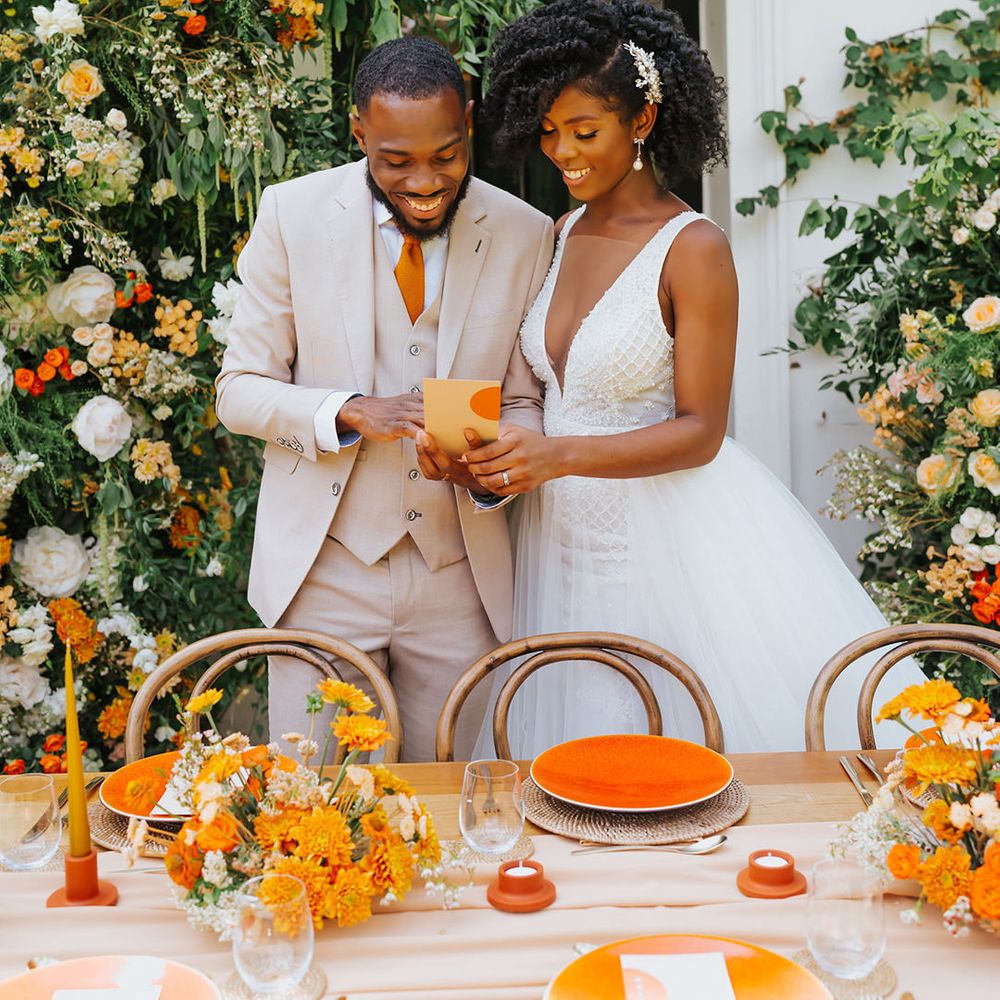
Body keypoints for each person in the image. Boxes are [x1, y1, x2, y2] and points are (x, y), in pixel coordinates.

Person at [456, 0, 925, 755]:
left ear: (641, 121)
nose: (563, 153)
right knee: (573, 747)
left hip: (666, 541)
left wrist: (560, 456)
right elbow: (544, 395)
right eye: (548, 132)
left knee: (675, 740)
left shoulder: (694, 248)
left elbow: (702, 432)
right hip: (559, 540)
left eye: (584, 131)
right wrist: (503, 451)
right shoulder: (561, 232)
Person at [215, 36, 553, 761]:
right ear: (359, 129)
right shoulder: (292, 215)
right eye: (397, 161)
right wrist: (346, 409)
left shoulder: (526, 233)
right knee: (314, 803)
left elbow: (526, 401)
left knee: (456, 797)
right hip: (326, 567)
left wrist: (494, 469)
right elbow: (239, 391)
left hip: (461, 574)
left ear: (468, 122)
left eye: (448, 154)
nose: (427, 180)